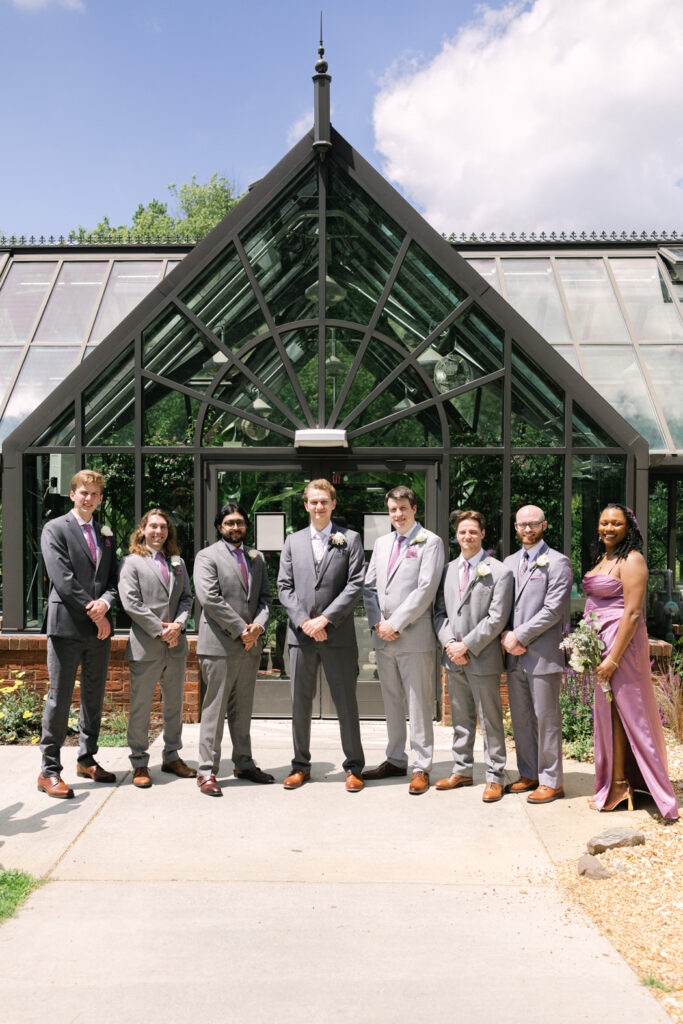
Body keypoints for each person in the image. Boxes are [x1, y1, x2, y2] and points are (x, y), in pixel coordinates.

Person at [583, 504, 678, 821]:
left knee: (629, 713)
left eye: (616, 523)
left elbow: (634, 612)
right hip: (600, 645)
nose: (608, 528)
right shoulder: (604, 558)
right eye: (603, 523)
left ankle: (633, 784)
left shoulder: (632, 560)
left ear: (629, 528)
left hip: (621, 648)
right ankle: (618, 782)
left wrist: (612, 658)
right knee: (608, 713)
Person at [277, 479, 366, 792]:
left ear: (333, 504)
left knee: (346, 703)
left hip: (338, 636)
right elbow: (283, 586)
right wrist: (305, 622)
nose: (318, 507)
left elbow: (355, 584)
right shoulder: (292, 541)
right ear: (306, 505)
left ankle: (354, 767)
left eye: (324, 502)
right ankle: (300, 766)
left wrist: (326, 620)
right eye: (313, 502)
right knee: (299, 704)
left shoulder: (350, 539)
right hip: (300, 637)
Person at [38, 470, 118, 798]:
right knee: (59, 697)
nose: (89, 498)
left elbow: (115, 577)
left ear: (100, 498)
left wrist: (107, 603)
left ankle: (86, 758)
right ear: (72, 495)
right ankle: (49, 770)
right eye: (83, 492)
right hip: (66, 626)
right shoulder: (54, 528)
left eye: (95, 494)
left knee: (93, 695)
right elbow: (63, 577)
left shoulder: (107, 532)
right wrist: (96, 611)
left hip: (97, 630)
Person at [362, 486, 444, 795]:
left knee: (419, 703)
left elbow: (425, 589)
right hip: (383, 638)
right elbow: (369, 587)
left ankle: (421, 766)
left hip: (413, 637)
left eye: (403, 509)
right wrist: (378, 624)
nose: (398, 514)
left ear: (414, 509)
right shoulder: (382, 543)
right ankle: (395, 759)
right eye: (393, 509)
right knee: (392, 702)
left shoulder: (430, 542)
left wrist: (395, 623)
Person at [193, 502, 273, 797]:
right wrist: (242, 629)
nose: (235, 527)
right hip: (219, 645)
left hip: (249, 647)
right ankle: (206, 771)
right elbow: (210, 599)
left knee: (243, 711)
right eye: (230, 523)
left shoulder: (257, 558)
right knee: (214, 710)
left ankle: (243, 763)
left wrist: (258, 628)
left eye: (239, 522)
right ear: (219, 527)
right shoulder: (206, 557)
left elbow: (266, 598)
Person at [433, 511, 513, 802]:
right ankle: (462, 770)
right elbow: (439, 613)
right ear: (456, 535)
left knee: (490, 720)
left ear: (482, 535)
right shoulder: (446, 570)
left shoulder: (500, 571)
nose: (467, 537)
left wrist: (466, 645)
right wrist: (449, 644)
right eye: (462, 532)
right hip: (453, 658)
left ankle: (495, 776)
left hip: (482, 657)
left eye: (473, 532)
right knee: (461, 719)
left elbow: (496, 618)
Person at [118, 509, 195, 788]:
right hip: (147, 646)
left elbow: (187, 598)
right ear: (142, 529)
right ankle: (139, 761)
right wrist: (162, 630)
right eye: (153, 526)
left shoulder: (178, 563)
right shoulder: (131, 563)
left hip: (175, 646)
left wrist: (178, 625)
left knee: (174, 705)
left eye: (163, 527)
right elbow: (131, 603)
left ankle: (172, 756)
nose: (158, 532)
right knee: (141, 705)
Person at [501, 505, 573, 804]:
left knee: (547, 720)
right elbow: (501, 605)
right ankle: (529, 773)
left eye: (533, 524)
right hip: (513, 654)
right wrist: (505, 635)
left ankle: (552, 781)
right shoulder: (508, 562)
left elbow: (553, 611)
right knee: (521, 719)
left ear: (544, 525)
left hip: (542, 655)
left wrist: (519, 635)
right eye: (522, 525)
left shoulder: (558, 563)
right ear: (515, 528)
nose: (527, 530)